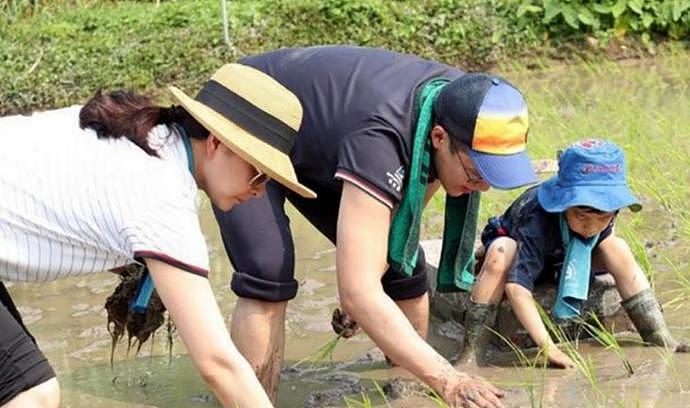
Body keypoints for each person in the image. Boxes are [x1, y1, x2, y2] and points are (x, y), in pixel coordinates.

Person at [213, 45, 538, 407]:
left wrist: (365, 284)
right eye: (477, 173)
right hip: (247, 115)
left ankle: (407, 397)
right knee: (267, 270)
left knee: (403, 267)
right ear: (440, 138)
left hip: (325, 136)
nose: (483, 187)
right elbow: (358, 290)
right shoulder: (383, 138)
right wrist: (448, 377)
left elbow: (399, 227)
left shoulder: (459, 103)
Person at [0, 63, 316, 408]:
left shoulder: (148, 138)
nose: (260, 191)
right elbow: (218, 364)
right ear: (216, 143)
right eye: (258, 173)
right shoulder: (163, 195)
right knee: (30, 395)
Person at [461, 139, 688, 369]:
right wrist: (549, 348)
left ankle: (658, 335)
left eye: (603, 218)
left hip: (567, 256)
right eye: (581, 217)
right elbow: (516, 288)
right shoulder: (537, 219)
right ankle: (471, 354)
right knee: (501, 251)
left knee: (617, 247)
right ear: (563, 204)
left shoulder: (603, 217)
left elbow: (600, 231)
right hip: (525, 253)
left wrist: (594, 226)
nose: (591, 227)